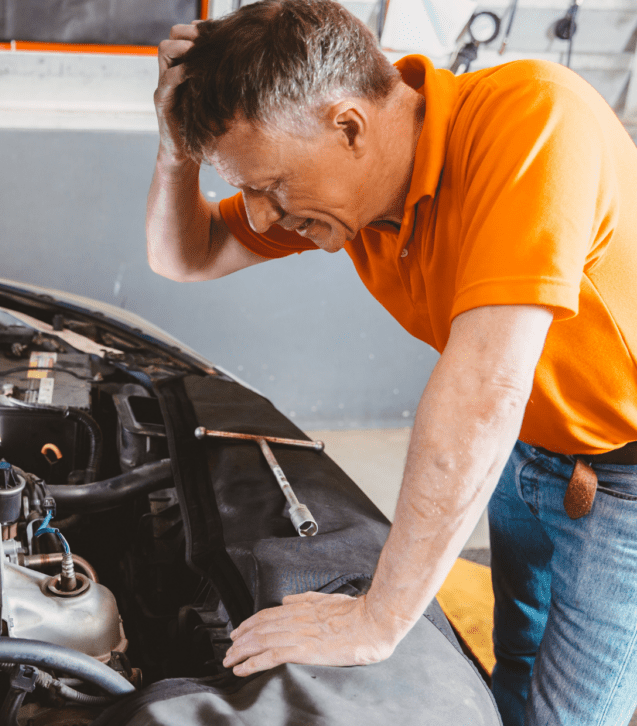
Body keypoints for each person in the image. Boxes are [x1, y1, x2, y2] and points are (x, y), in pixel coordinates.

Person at [145, 1, 637, 724]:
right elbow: (182, 256)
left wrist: (378, 620)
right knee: (518, 657)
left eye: (268, 186)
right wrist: (174, 148)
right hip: (528, 448)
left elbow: (482, 390)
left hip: (624, 478)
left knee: (570, 716)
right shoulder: (357, 197)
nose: (257, 216)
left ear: (348, 125)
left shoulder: (535, 120)